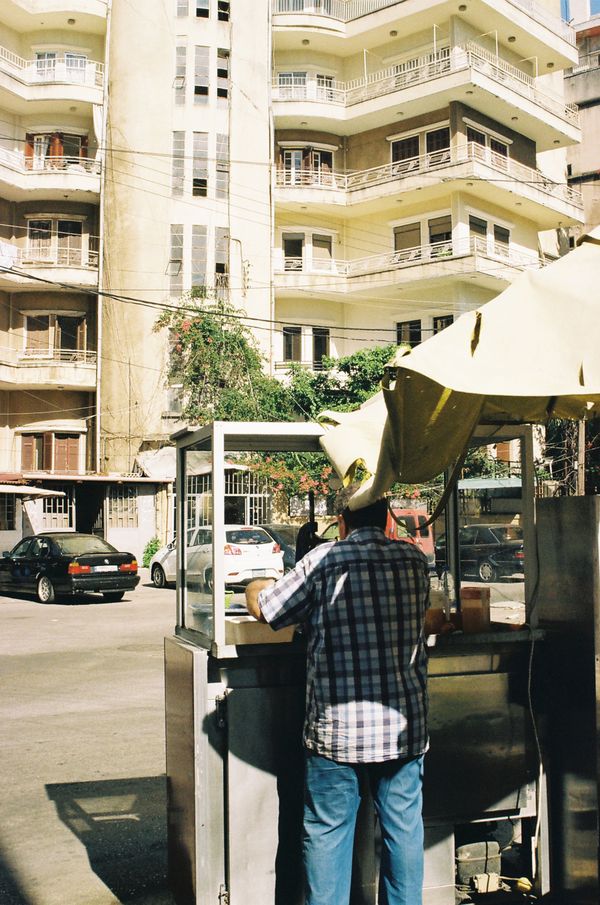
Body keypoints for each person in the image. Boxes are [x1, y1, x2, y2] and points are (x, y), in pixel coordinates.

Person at [245, 487, 430, 905]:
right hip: (403, 729)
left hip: (337, 734)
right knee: (404, 832)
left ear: (342, 523)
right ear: (388, 520)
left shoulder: (323, 560)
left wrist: (256, 585)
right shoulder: (414, 561)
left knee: (327, 835)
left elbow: (267, 610)